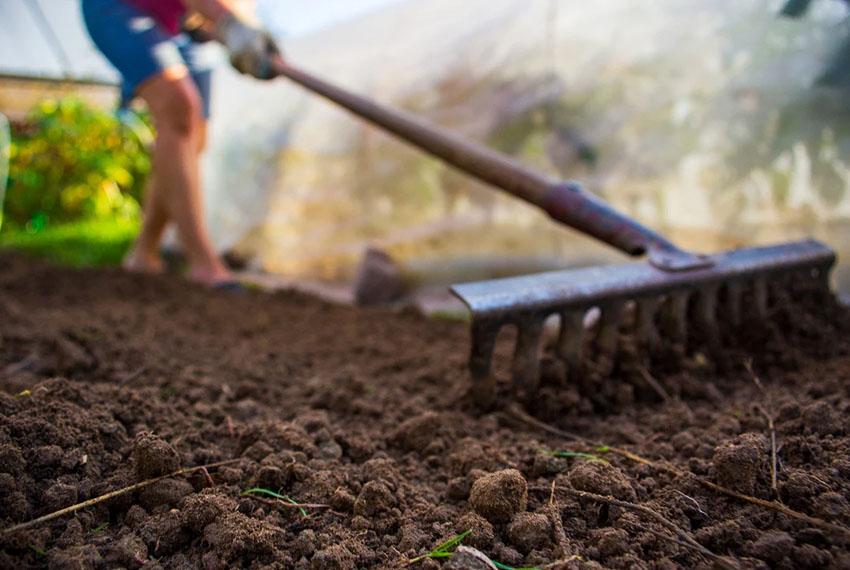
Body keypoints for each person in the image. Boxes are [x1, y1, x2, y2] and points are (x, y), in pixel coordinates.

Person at [81, 0, 281, 286]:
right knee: (178, 107)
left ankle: (143, 253)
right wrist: (228, 23)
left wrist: (245, 36)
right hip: (121, 7)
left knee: (194, 137)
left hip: (180, 22)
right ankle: (203, 261)